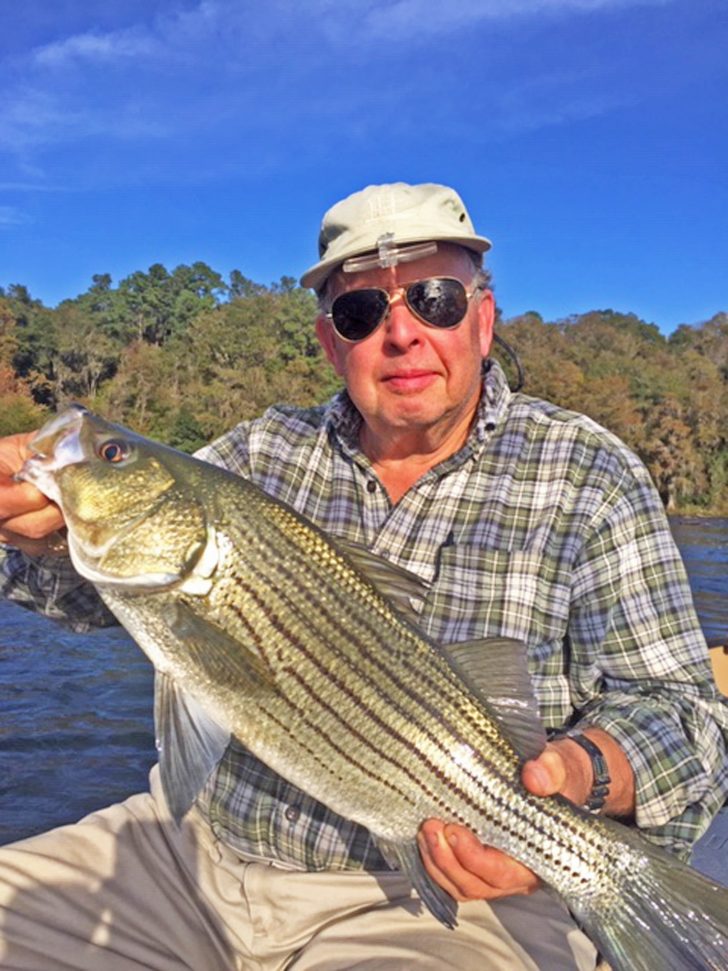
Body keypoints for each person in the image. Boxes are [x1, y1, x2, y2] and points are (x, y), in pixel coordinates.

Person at [0, 181, 726, 971]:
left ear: (484, 320)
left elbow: (683, 716)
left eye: (436, 299)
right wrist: (32, 533)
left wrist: (576, 778)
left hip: (432, 900)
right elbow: (105, 589)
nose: (401, 332)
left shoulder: (588, 472)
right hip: (191, 855)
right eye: (361, 312)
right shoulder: (257, 455)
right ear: (329, 342)